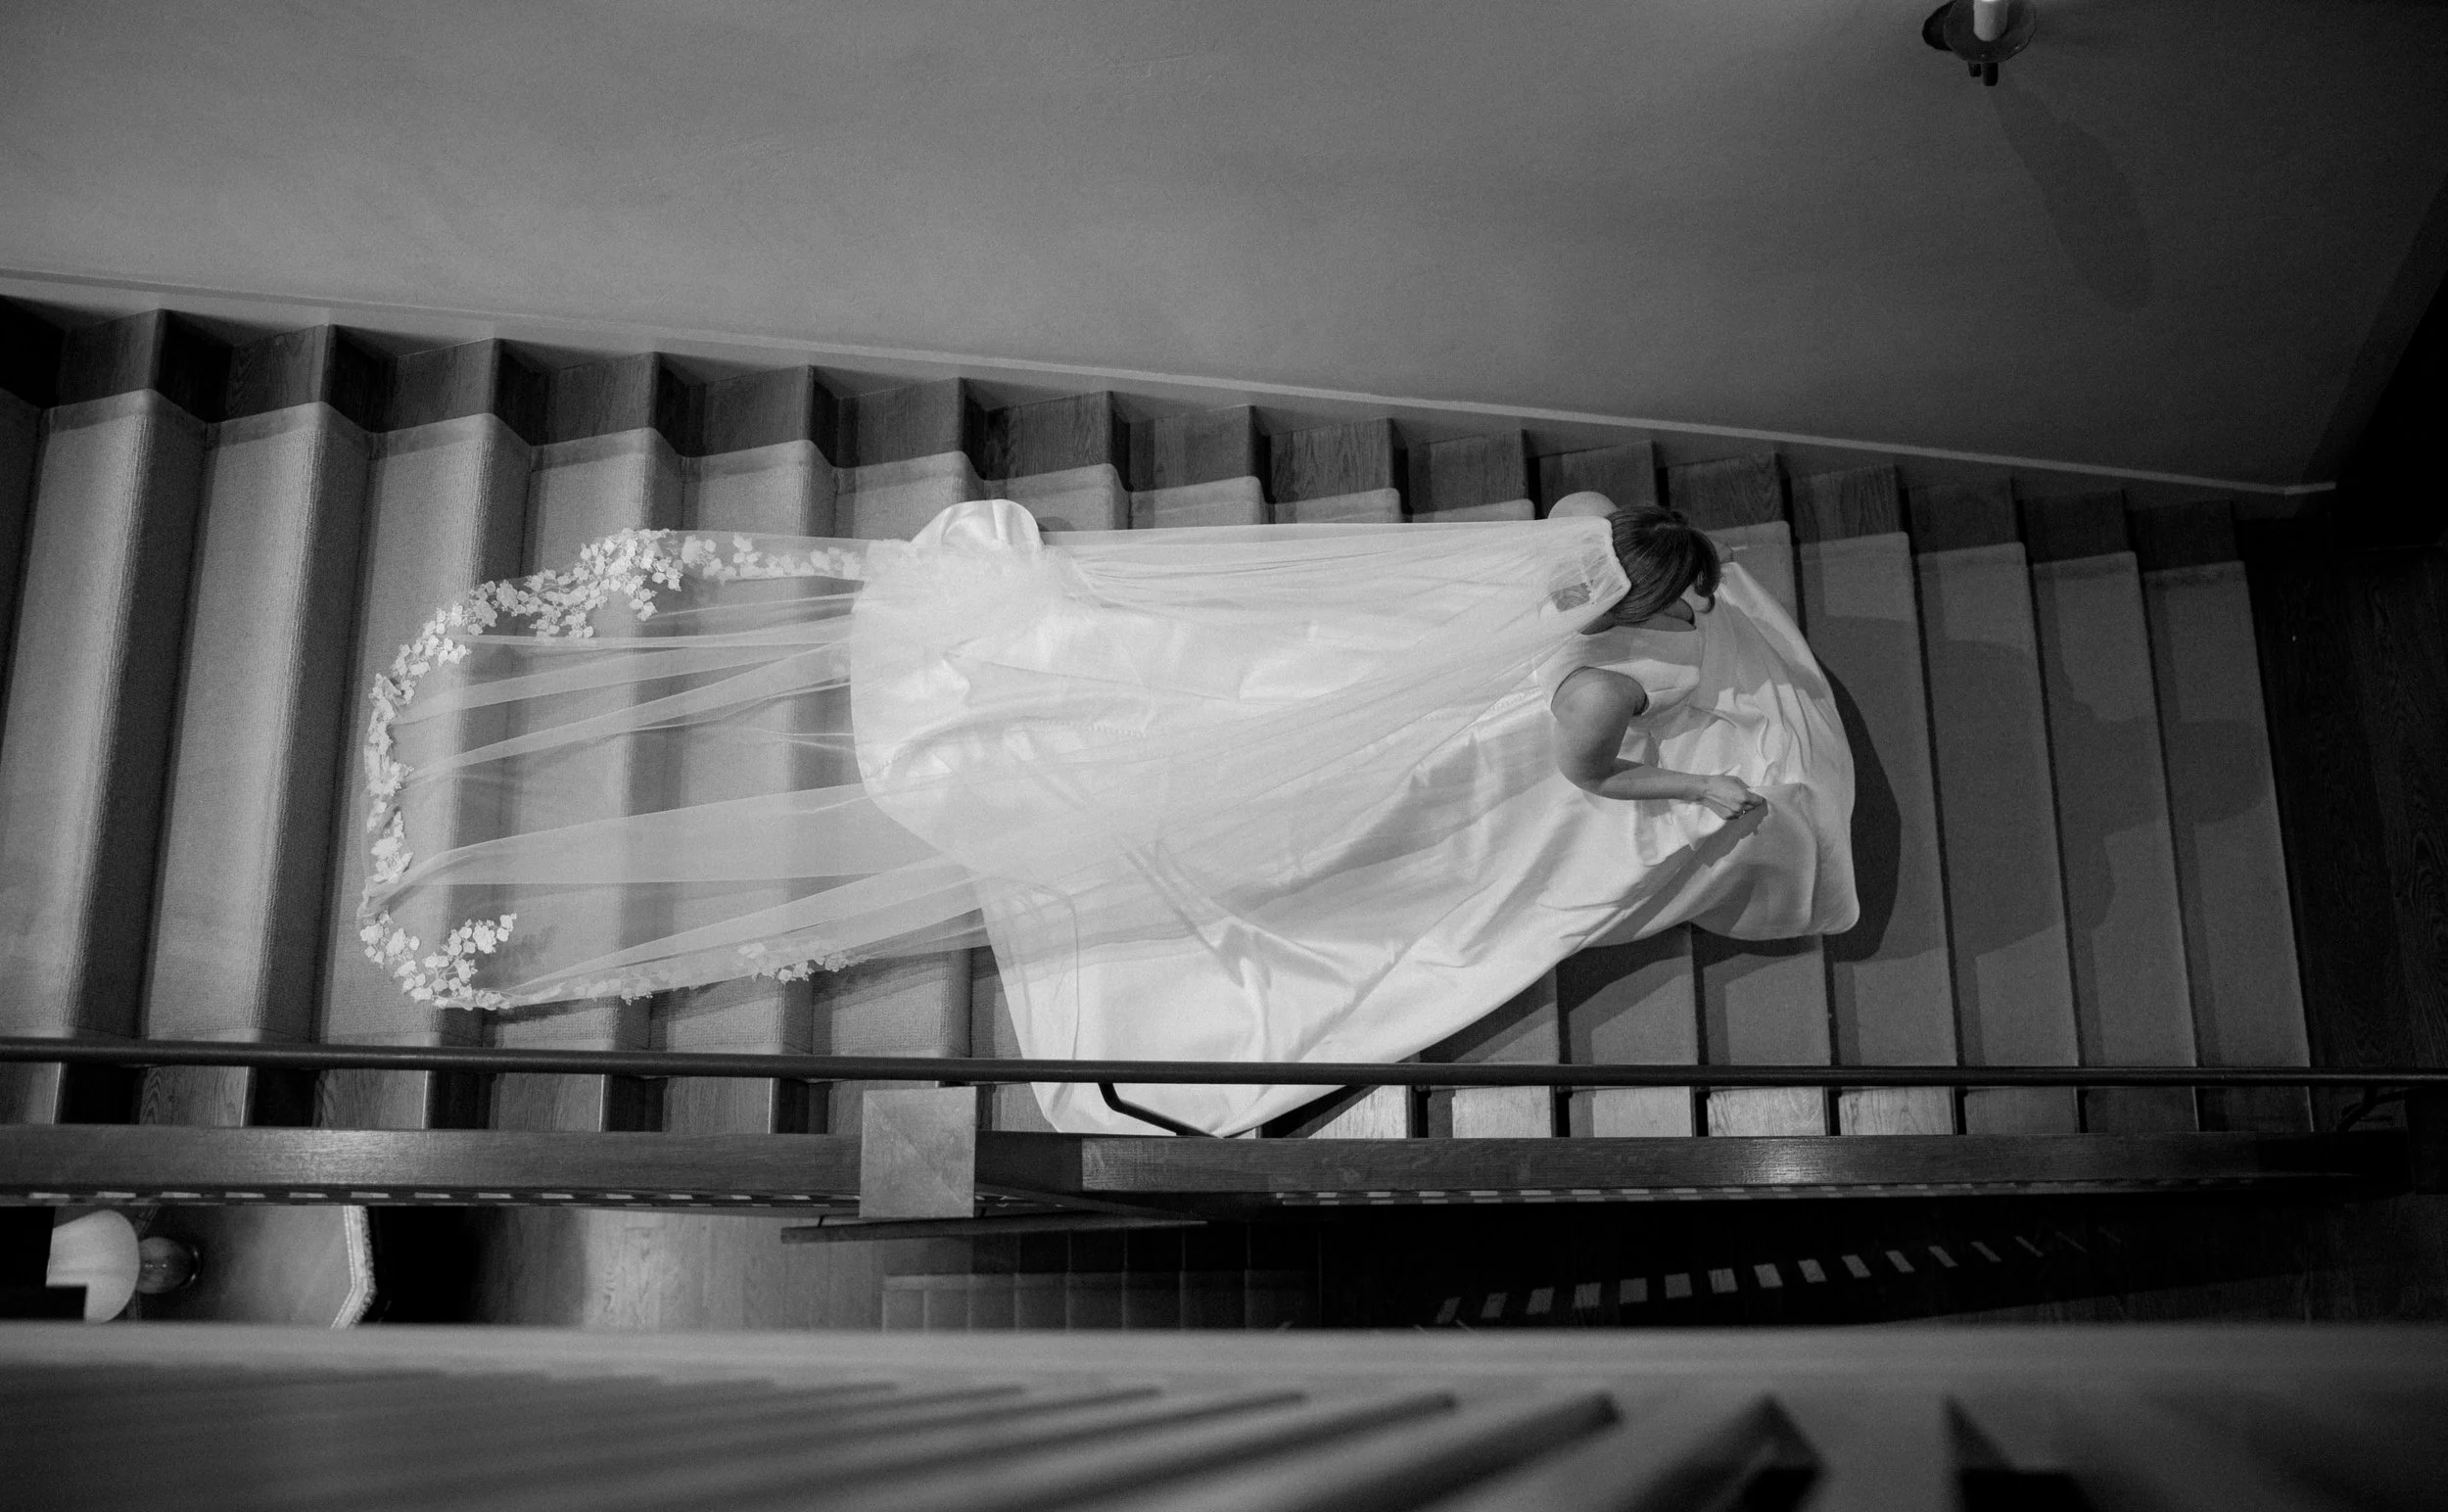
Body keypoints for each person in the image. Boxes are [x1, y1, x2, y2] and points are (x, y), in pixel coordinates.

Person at [360, 490, 1854, 1135]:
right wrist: (1703, 785)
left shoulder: (1587, 539)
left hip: (1423, 677)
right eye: (1692, 596)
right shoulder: (1597, 693)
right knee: (1415, 858)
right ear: (1650, 598)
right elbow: (1595, 778)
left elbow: (1574, 547)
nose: (1708, 599)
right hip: (1485, 749)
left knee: (1227, 686)